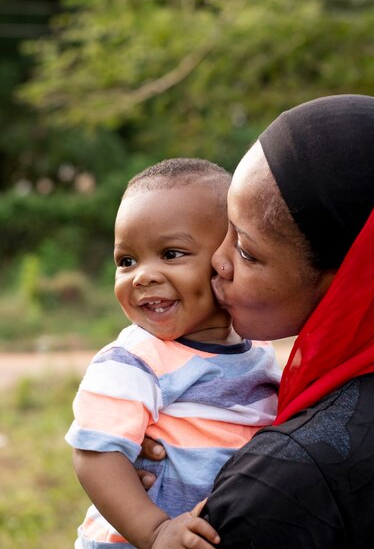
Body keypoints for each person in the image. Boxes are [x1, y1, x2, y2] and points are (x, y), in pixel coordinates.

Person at [141, 95, 374, 548]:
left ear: (351, 279)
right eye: (223, 227)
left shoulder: (285, 483)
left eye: (247, 252)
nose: (217, 261)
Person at [65, 158, 281, 549]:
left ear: (227, 257)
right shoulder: (135, 359)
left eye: (171, 254)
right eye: (126, 261)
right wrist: (156, 531)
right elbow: (96, 454)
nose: (142, 275)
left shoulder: (259, 350)